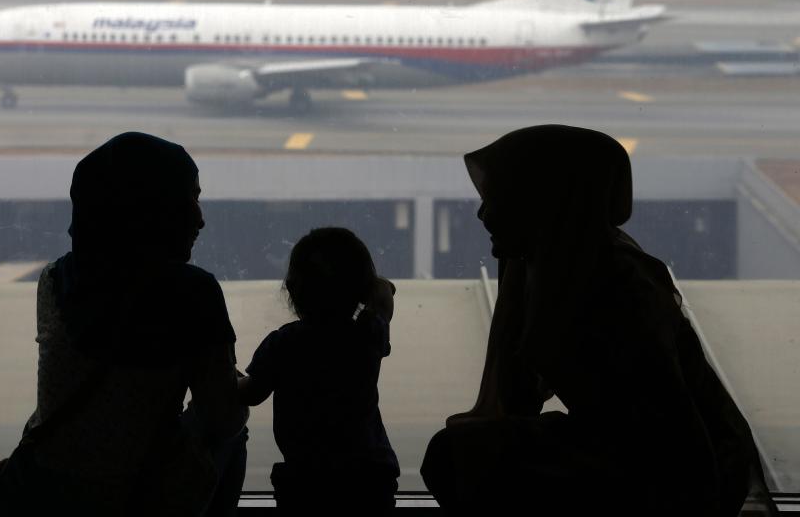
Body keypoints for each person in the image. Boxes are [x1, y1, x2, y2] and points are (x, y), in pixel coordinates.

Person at [420, 124, 776, 516]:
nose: (484, 214)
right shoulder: (553, 265)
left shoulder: (616, 287)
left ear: (545, 203)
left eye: (502, 198)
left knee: (456, 457)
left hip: (662, 468)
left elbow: (672, 435)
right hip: (626, 449)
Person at [0, 132, 248, 516]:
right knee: (234, 434)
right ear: (150, 210)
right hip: (132, 498)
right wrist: (232, 384)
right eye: (188, 200)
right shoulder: (193, 292)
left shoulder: (54, 280)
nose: (199, 218)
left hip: (47, 485)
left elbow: (68, 391)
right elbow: (222, 417)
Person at [238, 227, 400, 516]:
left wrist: (227, 374)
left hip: (306, 482)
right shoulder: (366, 336)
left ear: (293, 290)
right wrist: (362, 286)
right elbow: (385, 291)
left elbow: (251, 393)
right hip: (369, 480)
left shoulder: (284, 343)